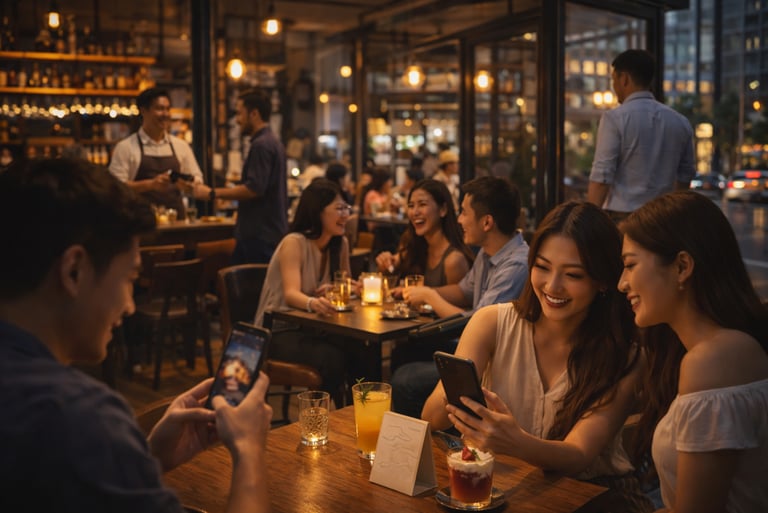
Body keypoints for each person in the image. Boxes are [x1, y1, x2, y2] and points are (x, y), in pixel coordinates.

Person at [0, 158, 271, 512]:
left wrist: (146, 458)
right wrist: (249, 450)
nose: (129, 306)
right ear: (74, 271)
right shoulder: (77, 417)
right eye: (129, 278)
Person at [422, 200, 652, 513]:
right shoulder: (492, 323)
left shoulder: (623, 355)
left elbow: (580, 455)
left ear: (601, 281)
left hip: (597, 494)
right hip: (507, 487)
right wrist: (456, 394)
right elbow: (430, 418)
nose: (552, 286)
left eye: (573, 274)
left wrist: (515, 442)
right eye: (542, 267)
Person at [618, 191, 768, 513]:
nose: (622, 283)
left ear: (682, 266)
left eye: (630, 265)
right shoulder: (708, 351)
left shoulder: (714, 361)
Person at [391, 176, 530, 418]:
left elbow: (477, 323)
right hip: (474, 350)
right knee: (404, 351)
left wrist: (430, 296)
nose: (459, 220)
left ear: (487, 222)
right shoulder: (488, 253)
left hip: (492, 364)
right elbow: (464, 291)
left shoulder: (516, 265)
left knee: (405, 380)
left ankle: (431, 437)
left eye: (464, 212)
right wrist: (419, 292)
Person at [254, 178, 370, 407]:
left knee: (362, 350)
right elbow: (291, 294)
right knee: (331, 358)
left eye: (346, 208)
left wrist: (353, 288)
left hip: (316, 328)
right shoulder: (294, 243)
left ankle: (363, 413)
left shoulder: (340, 244)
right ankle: (324, 418)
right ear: (318, 211)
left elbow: (344, 286)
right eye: (339, 208)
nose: (346, 215)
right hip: (278, 331)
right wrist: (313, 302)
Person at [587, 49, 695, 223]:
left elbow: (602, 176)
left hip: (623, 218)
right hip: (664, 218)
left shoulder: (614, 119)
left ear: (624, 79)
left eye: (614, 79)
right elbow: (685, 176)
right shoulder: (680, 122)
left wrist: (589, 221)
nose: (614, 87)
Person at [193, 88, 288, 264]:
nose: (237, 120)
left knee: (250, 281)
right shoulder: (272, 142)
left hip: (259, 235)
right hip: (267, 232)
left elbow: (253, 189)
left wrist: (212, 193)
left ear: (254, 114)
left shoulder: (261, 145)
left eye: (239, 113)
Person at [109, 87, 203, 220]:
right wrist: (150, 184)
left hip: (177, 223)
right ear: (143, 111)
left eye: (167, 109)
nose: (165, 114)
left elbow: (197, 179)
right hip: (141, 223)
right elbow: (114, 187)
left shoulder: (181, 146)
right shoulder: (125, 147)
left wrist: (189, 185)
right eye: (159, 109)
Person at [375, 178, 473, 288]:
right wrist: (386, 264)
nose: (415, 212)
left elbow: (459, 297)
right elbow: (390, 268)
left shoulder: (454, 260)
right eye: (411, 206)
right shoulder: (414, 245)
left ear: (443, 210)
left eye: (422, 204)